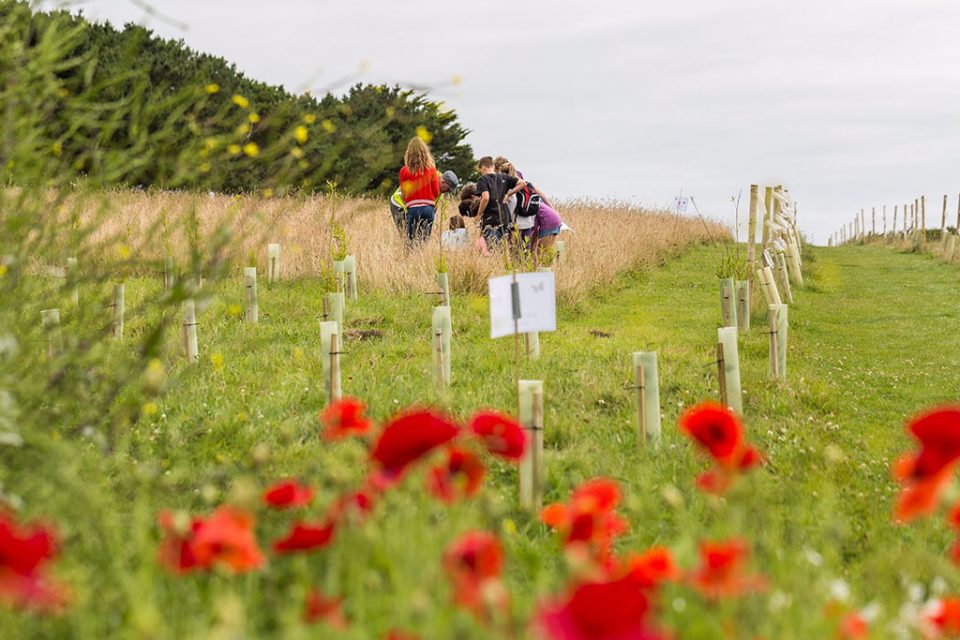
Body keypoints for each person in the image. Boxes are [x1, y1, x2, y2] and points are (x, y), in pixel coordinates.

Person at [471, 156, 526, 245]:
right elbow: (522, 183)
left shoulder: (483, 179)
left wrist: (479, 214)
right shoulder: (503, 177)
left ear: (483, 168)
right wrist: (508, 194)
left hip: (490, 221)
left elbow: (485, 198)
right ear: (493, 166)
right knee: (505, 247)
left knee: (493, 250)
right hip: (505, 220)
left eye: (480, 170)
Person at [391, 165, 459, 236]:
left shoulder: (439, 190)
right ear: (443, 182)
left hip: (414, 207)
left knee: (419, 235)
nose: (447, 192)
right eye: (448, 189)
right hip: (399, 203)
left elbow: (432, 210)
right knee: (408, 235)